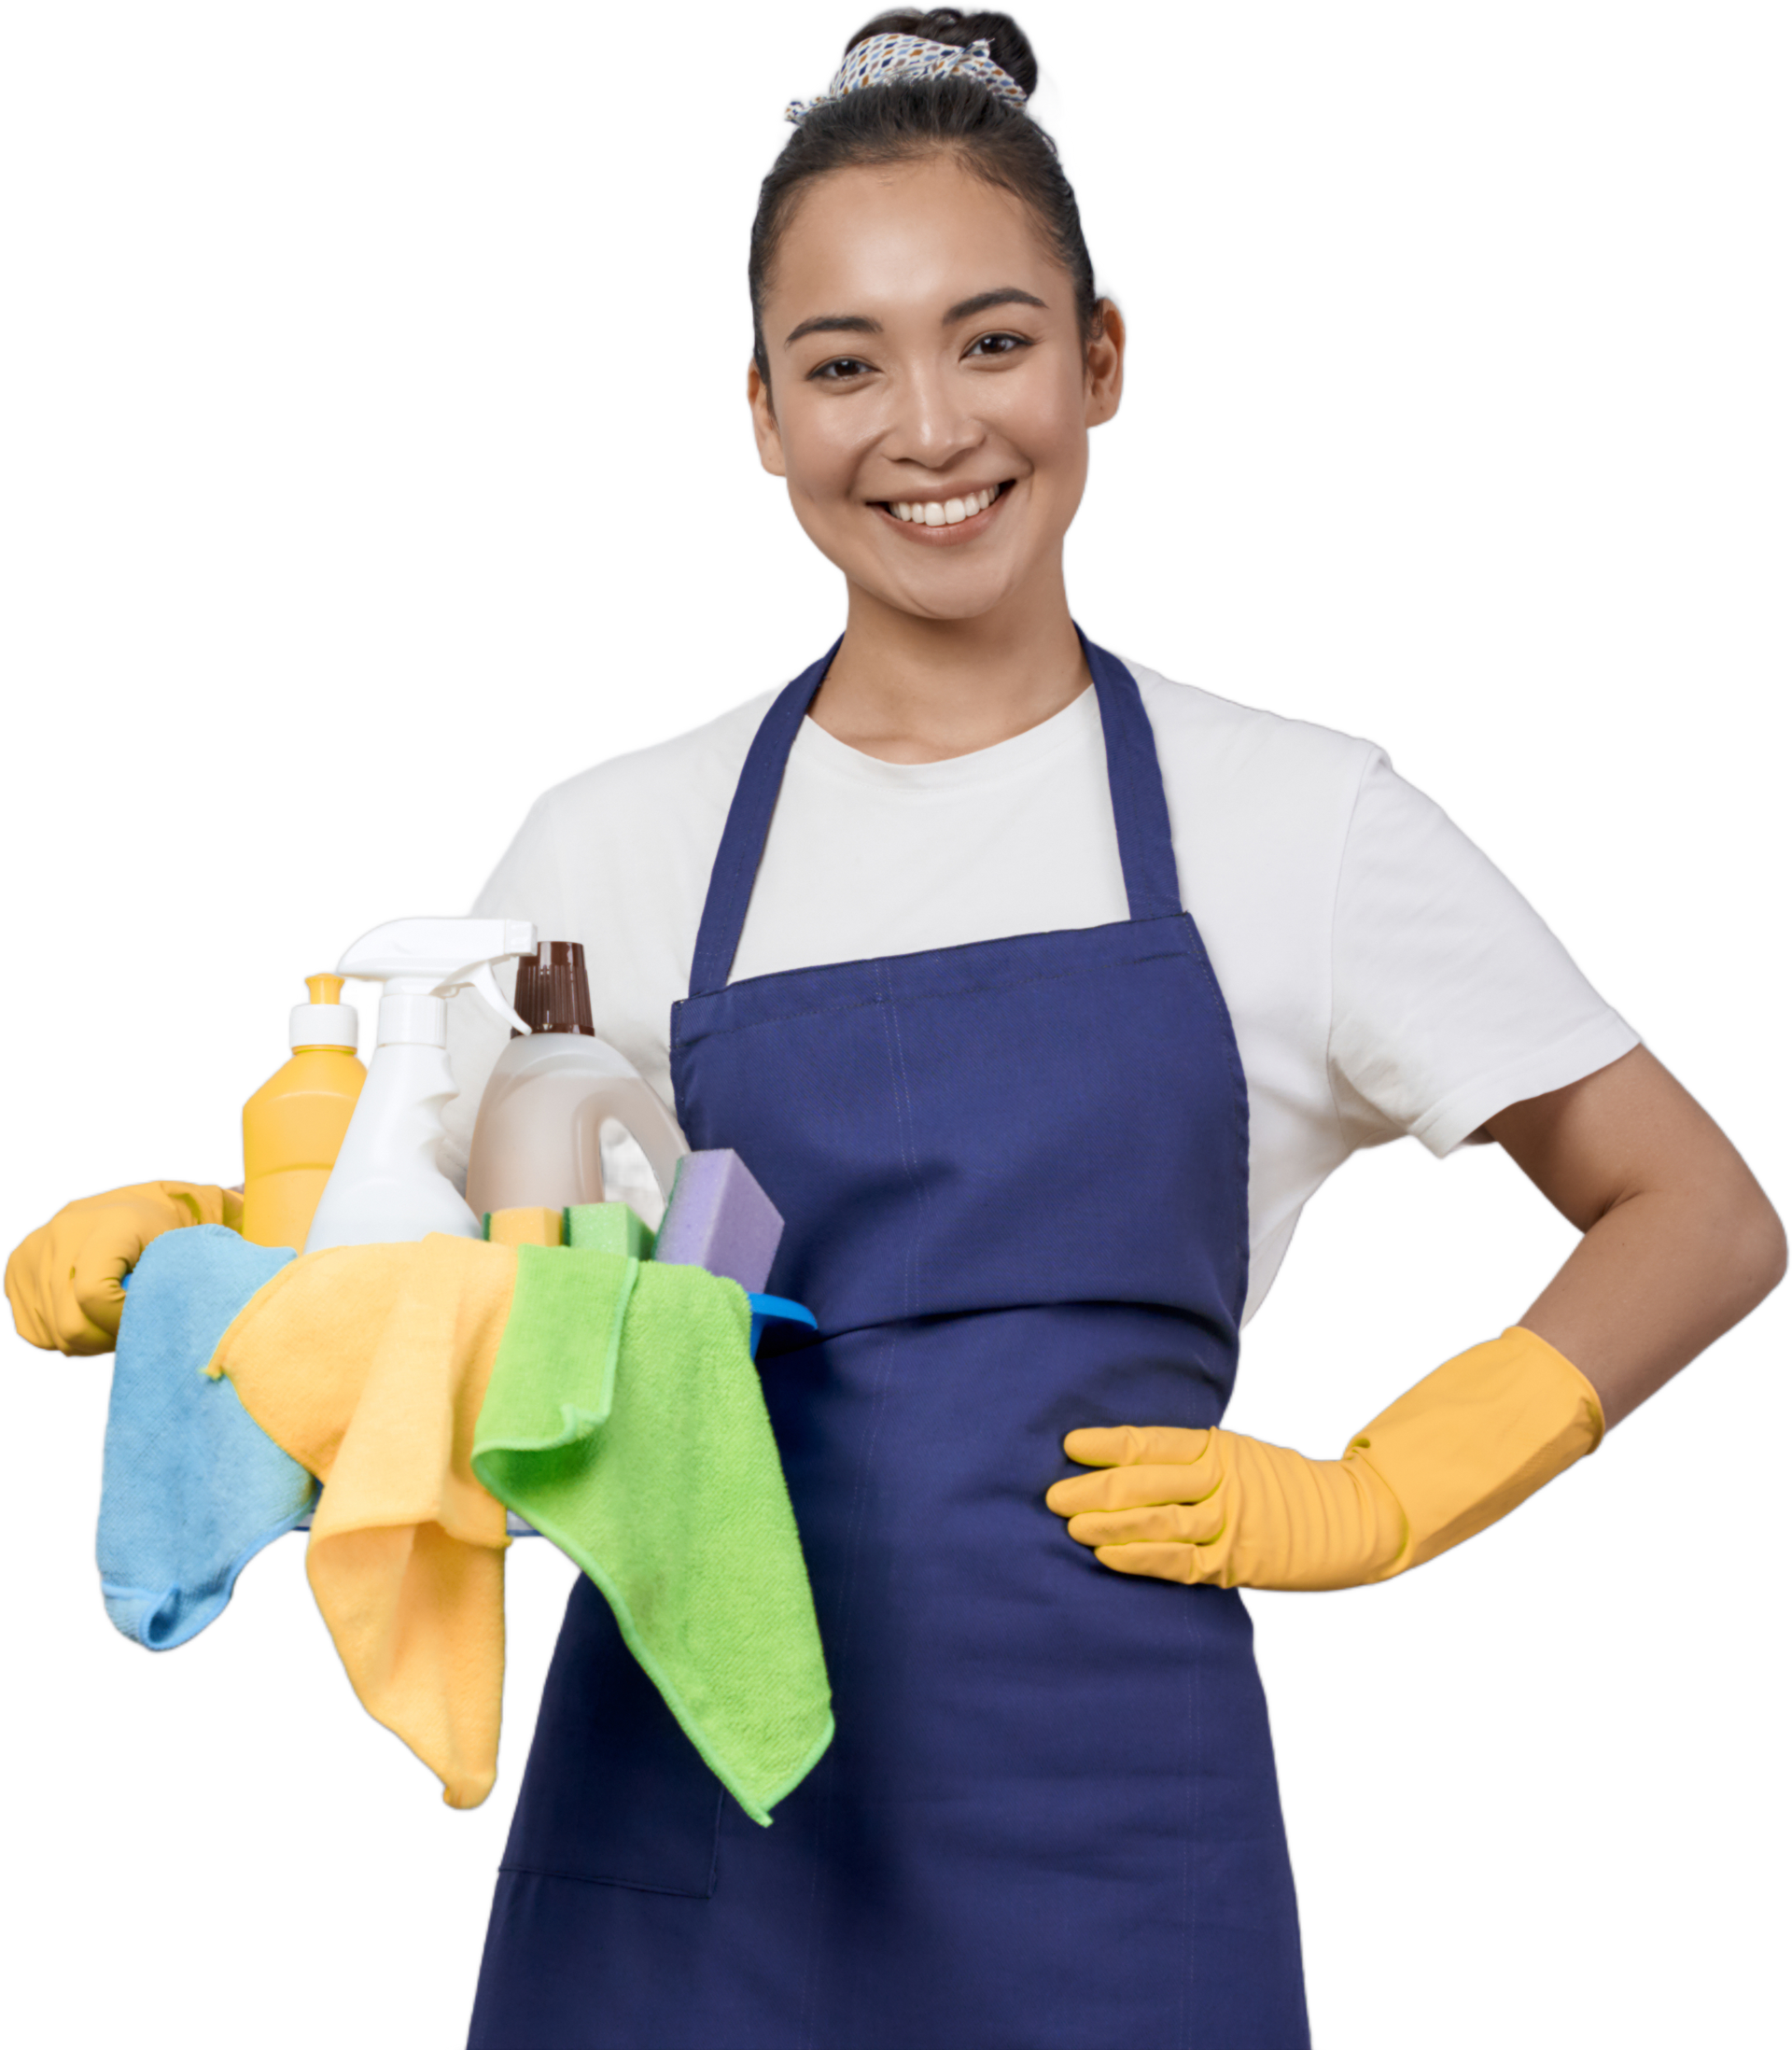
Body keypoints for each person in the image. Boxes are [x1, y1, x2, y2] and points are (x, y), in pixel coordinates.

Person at [7, 8, 1782, 2045]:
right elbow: (423, 1280)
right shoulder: (613, 837)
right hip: (681, 1868)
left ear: (1105, 355)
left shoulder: (1298, 823)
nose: (927, 428)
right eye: (844, 363)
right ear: (760, 413)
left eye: (995, 339)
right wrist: (209, 1265)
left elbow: (1700, 1212)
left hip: (1116, 1858)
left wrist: (1384, 1491)